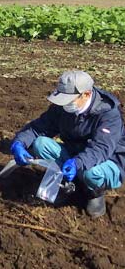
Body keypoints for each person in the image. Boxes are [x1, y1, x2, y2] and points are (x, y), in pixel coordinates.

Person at [10, 70, 125, 218]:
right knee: (40, 144)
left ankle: (94, 192)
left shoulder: (108, 114)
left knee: (90, 173)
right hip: (75, 152)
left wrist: (78, 163)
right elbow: (39, 127)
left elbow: (101, 148)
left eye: (69, 100)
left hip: (108, 160)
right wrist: (19, 142)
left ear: (86, 94)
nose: (65, 104)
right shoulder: (63, 107)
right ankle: (68, 182)